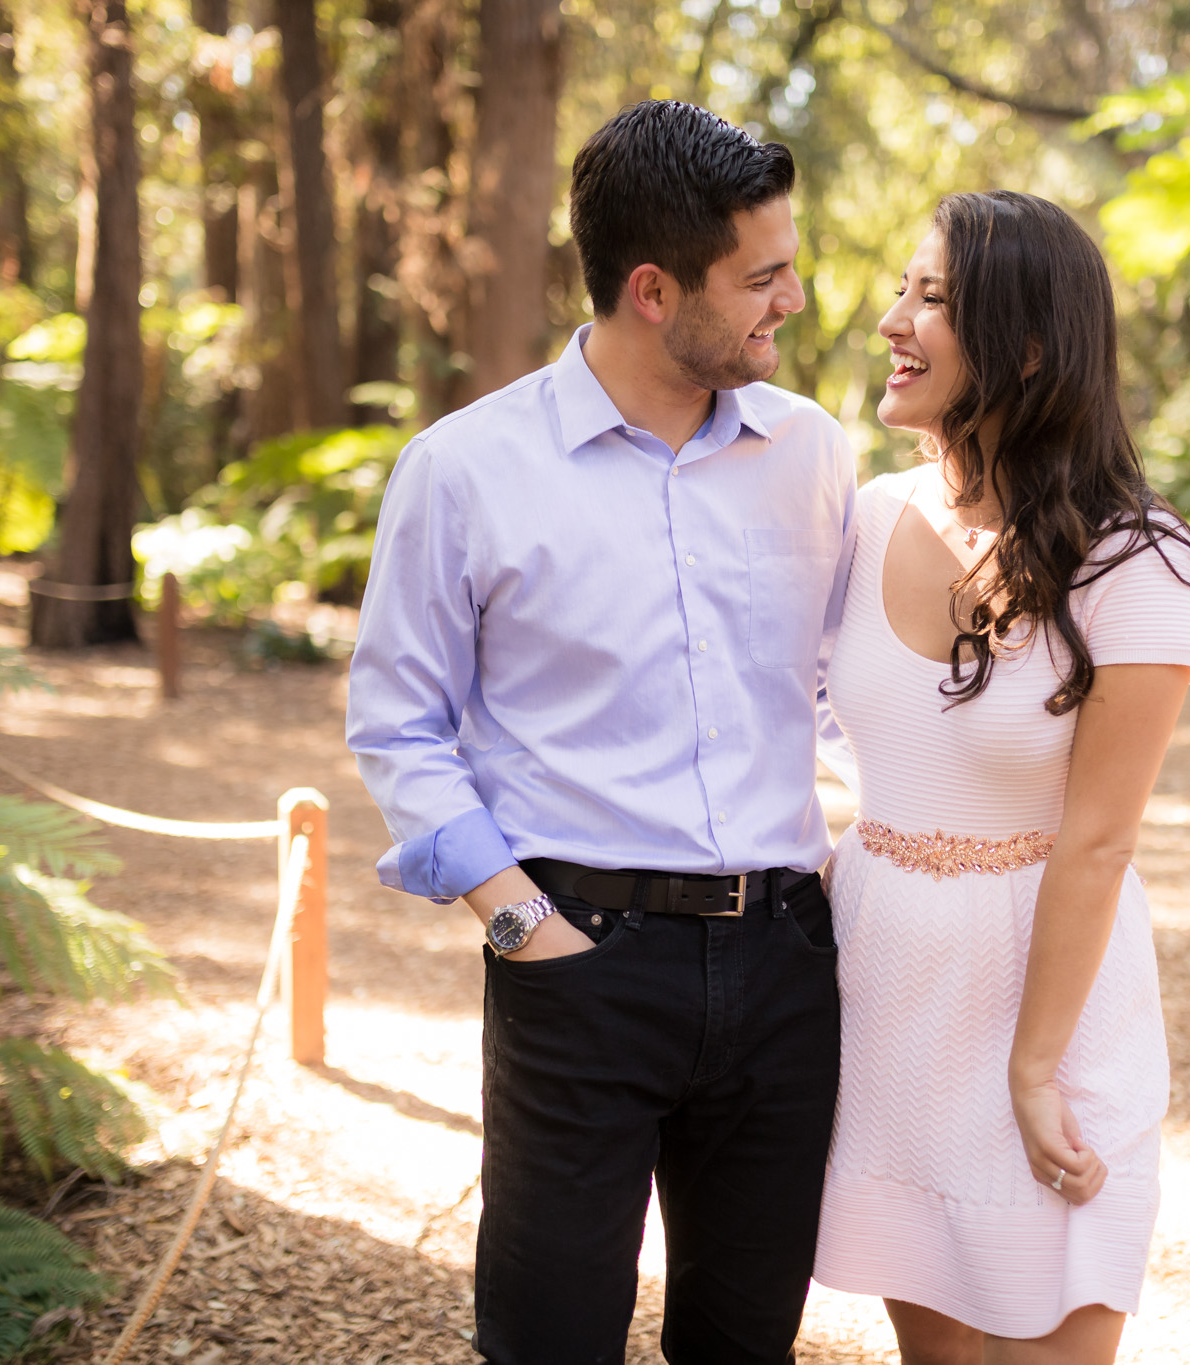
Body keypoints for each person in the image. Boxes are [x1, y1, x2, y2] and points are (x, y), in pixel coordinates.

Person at [345, 101, 855, 1365]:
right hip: (576, 962)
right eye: (761, 277)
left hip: (785, 961)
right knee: (549, 1338)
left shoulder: (812, 454)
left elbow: (851, 687)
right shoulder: (462, 470)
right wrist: (520, 923)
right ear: (649, 289)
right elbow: (396, 721)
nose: (790, 298)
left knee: (744, 1344)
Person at [812, 191, 1190, 1364]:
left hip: (1048, 994)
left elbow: (1098, 841)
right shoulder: (860, 517)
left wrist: (1032, 1069)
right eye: (900, 288)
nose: (892, 320)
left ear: (1030, 346)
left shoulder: (1132, 553)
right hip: (882, 980)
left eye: (930, 298)